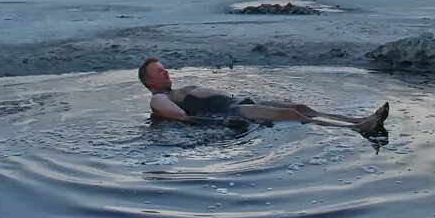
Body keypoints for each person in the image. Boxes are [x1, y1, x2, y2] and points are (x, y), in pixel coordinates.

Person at [138, 57, 389, 135]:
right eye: (160, 72)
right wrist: (220, 123)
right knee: (293, 115)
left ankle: (357, 119)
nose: (166, 72)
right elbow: (180, 117)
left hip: (240, 102)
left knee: (301, 106)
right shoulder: (159, 99)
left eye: (165, 68)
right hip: (233, 111)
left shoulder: (176, 91)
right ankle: (361, 129)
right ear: (150, 82)